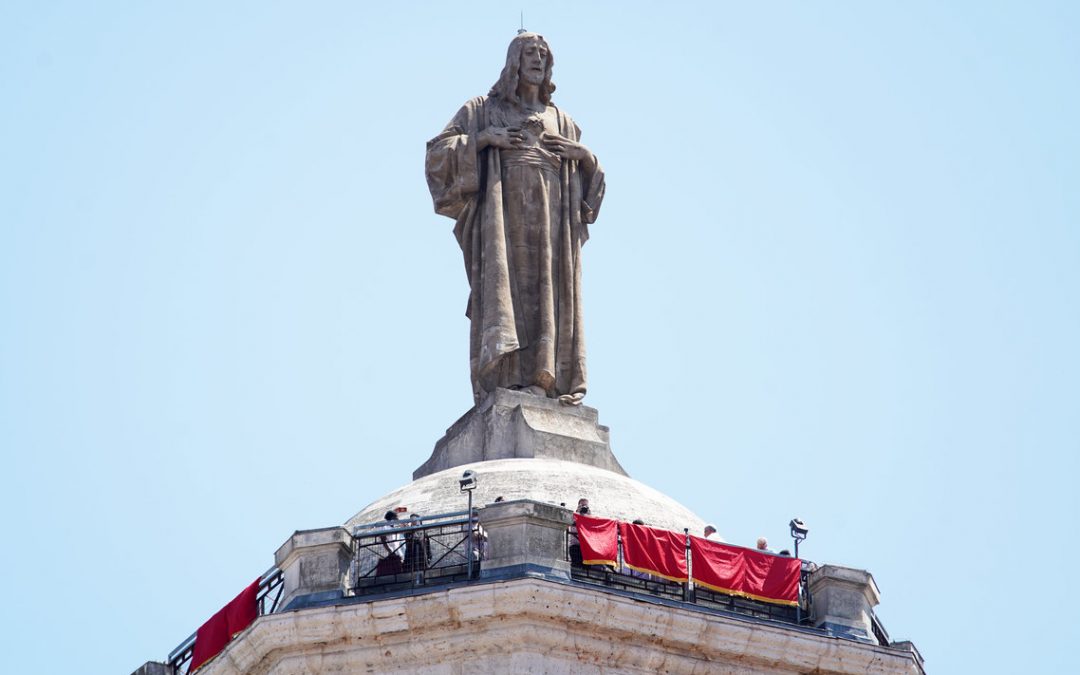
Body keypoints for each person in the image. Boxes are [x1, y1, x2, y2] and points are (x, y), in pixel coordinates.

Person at [426, 32, 605, 406]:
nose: (538, 59)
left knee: (550, 294)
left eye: (543, 53)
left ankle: (547, 380)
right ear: (514, 62)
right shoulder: (482, 110)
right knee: (505, 293)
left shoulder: (562, 120)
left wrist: (584, 157)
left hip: (553, 224)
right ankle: (506, 378)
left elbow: (591, 190)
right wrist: (483, 139)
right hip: (503, 219)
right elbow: (437, 156)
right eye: (530, 53)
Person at [376, 511, 404, 575]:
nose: (397, 519)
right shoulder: (384, 527)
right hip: (387, 554)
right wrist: (390, 551)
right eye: (396, 518)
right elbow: (383, 540)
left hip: (396, 553)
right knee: (387, 571)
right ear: (392, 518)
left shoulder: (395, 527)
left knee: (398, 570)